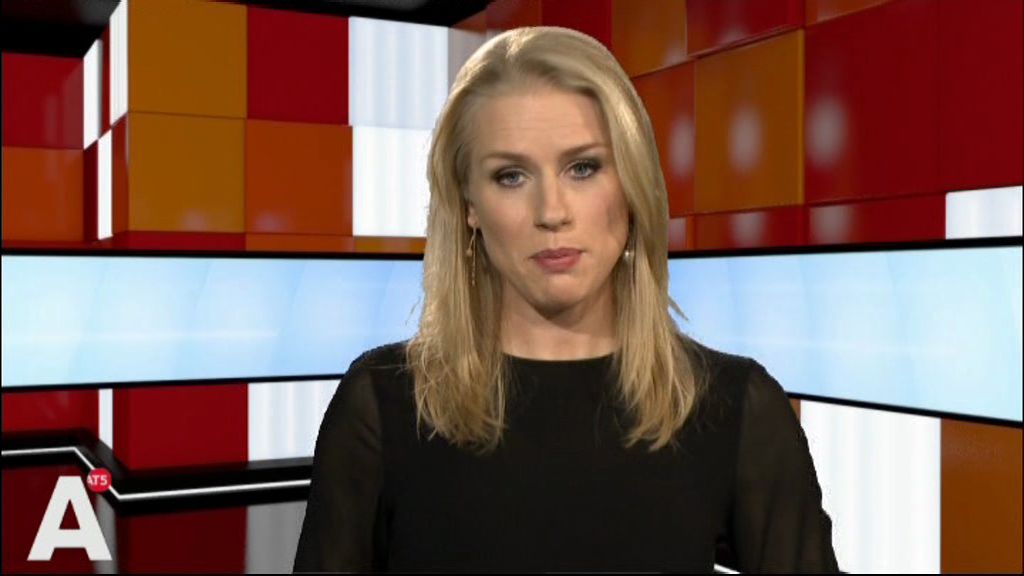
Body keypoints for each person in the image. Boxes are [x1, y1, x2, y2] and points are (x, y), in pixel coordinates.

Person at [294, 26, 839, 573]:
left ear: (632, 185)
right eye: (511, 176)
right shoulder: (382, 407)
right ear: (469, 206)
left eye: (583, 168)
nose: (552, 211)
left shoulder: (736, 409)